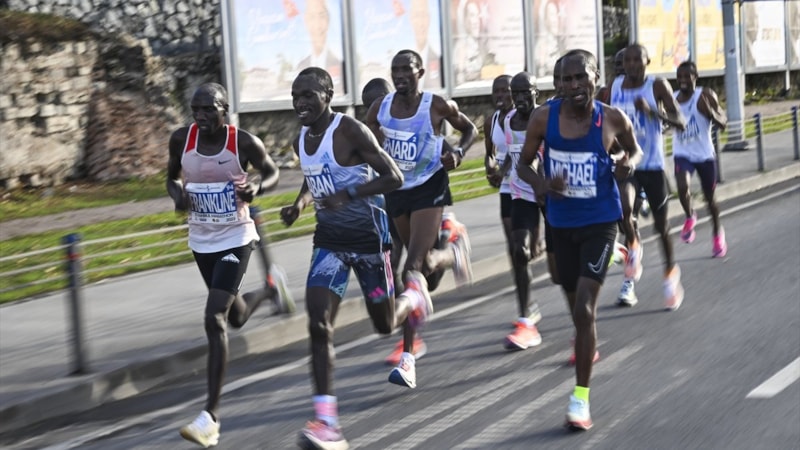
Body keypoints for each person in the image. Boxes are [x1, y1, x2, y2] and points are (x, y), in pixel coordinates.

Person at [281, 67, 433, 449]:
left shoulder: (349, 130)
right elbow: (313, 176)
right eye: (295, 95)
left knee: (384, 326)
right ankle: (327, 422)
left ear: (328, 95)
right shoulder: (303, 134)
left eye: (308, 95)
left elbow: (394, 176)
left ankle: (412, 298)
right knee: (318, 324)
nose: (300, 102)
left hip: (369, 242)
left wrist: (348, 196)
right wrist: (300, 204)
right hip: (328, 243)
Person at [517, 49, 642, 431]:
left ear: (595, 78)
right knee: (566, 291)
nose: (573, 86)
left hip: (601, 221)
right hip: (561, 222)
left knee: (586, 309)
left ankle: (580, 399)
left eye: (580, 78)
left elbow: (634, 149)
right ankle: (608, 268)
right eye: (566, 80)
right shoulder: (544, 118)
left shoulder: (611, 118)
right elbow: (522, 164)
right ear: (558, 84)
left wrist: (629, 163)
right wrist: (541, 186)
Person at [167, 83, 282, 448]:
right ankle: (270, 290)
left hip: (236, 238)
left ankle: (210, 417)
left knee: (214, 317)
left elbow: (271, 171)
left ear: (224, 110)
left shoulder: (243, 142)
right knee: (235, 316)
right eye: (195, 109)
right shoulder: (181, 140)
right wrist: (178, 196)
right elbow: (170, 177)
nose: (200, 116)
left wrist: (256, 188)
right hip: (201, 241)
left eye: (207, 110)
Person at [366, 49, 478, 388]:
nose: (400, 75)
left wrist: (457, 152)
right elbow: (367, 136)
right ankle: (453, 253)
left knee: (410, 271)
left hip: (430, 187)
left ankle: (408, 359)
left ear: (420, 73)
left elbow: (470, 129)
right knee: (425, 272)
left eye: (407, 69)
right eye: (395, 69)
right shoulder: (380, 109)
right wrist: (377, 151)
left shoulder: (436, 105)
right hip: (398, 190)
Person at [609, 44, 687, 310]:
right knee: (624, 208)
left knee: (661, 227)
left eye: (636, 60)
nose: (631, 65)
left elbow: (681, 122)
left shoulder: (657, 87)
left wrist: (652, 112)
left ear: (647, 62)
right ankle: (633, 247)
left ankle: (669, 275)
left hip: (653, 165)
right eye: (627, 60)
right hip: (628, 163)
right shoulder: (614, 87)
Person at [362, 77, 429, 365]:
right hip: (388, 212)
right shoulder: (365, 134)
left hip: (415, 206)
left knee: (413, 274)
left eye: (377, 106)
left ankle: (451, 247)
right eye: (369, 108)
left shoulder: (408, 126)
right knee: (401, 276)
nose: (374, 113)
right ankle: (410, 339)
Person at [499, 72, 545, 350]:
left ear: (536, 92)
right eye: (515, 93)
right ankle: (526, 319)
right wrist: (500, 172)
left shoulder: (545, 118)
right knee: (519, 251)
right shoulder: (508, 119)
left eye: (525, 92)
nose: (520, 98)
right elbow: (510, 154)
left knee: (561, 266)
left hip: (549, 193)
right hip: (520, 194)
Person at [673, 61, 728, 257]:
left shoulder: (705, 95)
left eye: (687, 76)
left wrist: (711, 113)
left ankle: (717, 232)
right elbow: (666, 122)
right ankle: (690, 216)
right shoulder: (673, 99)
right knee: (682, 187)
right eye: (679, 76)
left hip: (704, 154)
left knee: (710, 199)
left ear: (695, 77)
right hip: (682, 153)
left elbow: (723, 123)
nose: (683, 80)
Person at [484, 74, 515, 260]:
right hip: (507, 185)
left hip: (532, 180)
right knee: (513, 244)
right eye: (496, 91)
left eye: (505, 91)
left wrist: (501, 172)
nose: (500, 95)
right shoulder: (491, 121)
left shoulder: (524, 117)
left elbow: (518, 148)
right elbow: (490, 153)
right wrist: (490, 169)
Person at [297, 0, 345, 95]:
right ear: (305, 21)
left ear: (328, 20)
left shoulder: (340, 65)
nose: (317, 25)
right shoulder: (300, 67)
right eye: (312, 17)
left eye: (321, 16)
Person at [409, 0, 442, 90]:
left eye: (423, 15)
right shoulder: (402, 60)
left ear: (429, 19)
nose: (421, 23)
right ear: (411, 19)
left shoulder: (439, 60)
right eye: (417, 16)